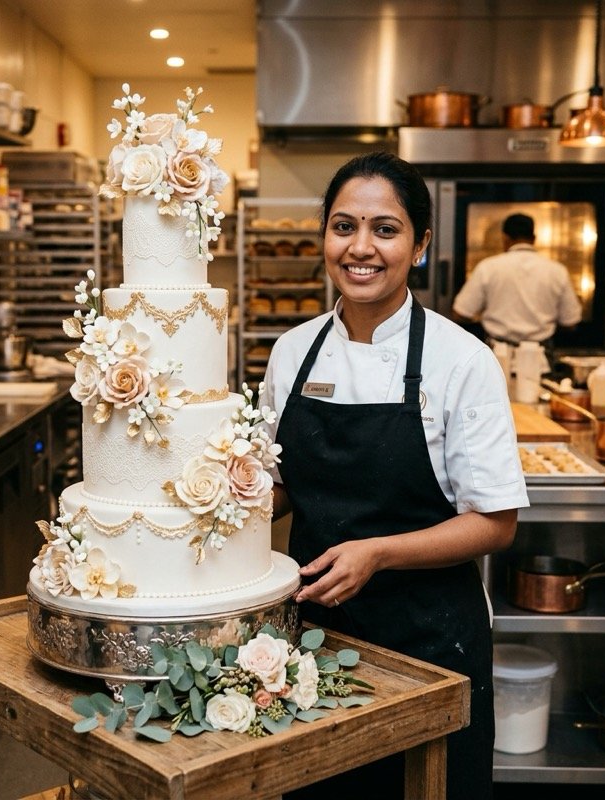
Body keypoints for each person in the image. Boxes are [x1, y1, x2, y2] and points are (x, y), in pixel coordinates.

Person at [259, 152, 529, 800]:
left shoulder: (462, 361)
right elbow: (283, 482)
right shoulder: (292, 352)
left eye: (385, 229)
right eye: (343, 226)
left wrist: (377, 553)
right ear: (324, 236)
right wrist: (216, 506)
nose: (361, 248)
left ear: (420, 244)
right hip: (315, 636)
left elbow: (496, 524)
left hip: (429, 640)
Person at [451, 212, 583, 353]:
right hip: (541, 353)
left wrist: (483, 316)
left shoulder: (488, 267)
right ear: (534, 238)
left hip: (498, 353)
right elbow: (570, 322)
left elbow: (460, 313)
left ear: (505, 238)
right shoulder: (557, 270)